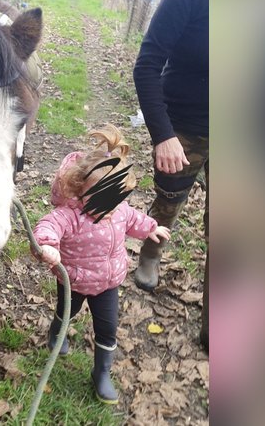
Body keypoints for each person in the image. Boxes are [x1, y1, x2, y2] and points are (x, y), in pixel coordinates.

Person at [33, 125, 171, 405]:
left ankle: (101, 372)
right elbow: (48, 226)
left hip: (109, 283)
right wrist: (47, 245)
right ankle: (57, 333)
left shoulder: (118, 210)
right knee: (66, 313)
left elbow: (133, 218)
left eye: (115, 200)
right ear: (80, 190)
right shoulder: (69, 215)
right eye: (101, 201)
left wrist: (151, 228)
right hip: (74, 281)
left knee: (107, 328)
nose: (109, 209)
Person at [132, 0, 209, 351]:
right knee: (168, 203)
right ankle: (150, 252)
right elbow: (146, 65)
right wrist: (163, 134)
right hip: (185, 125)